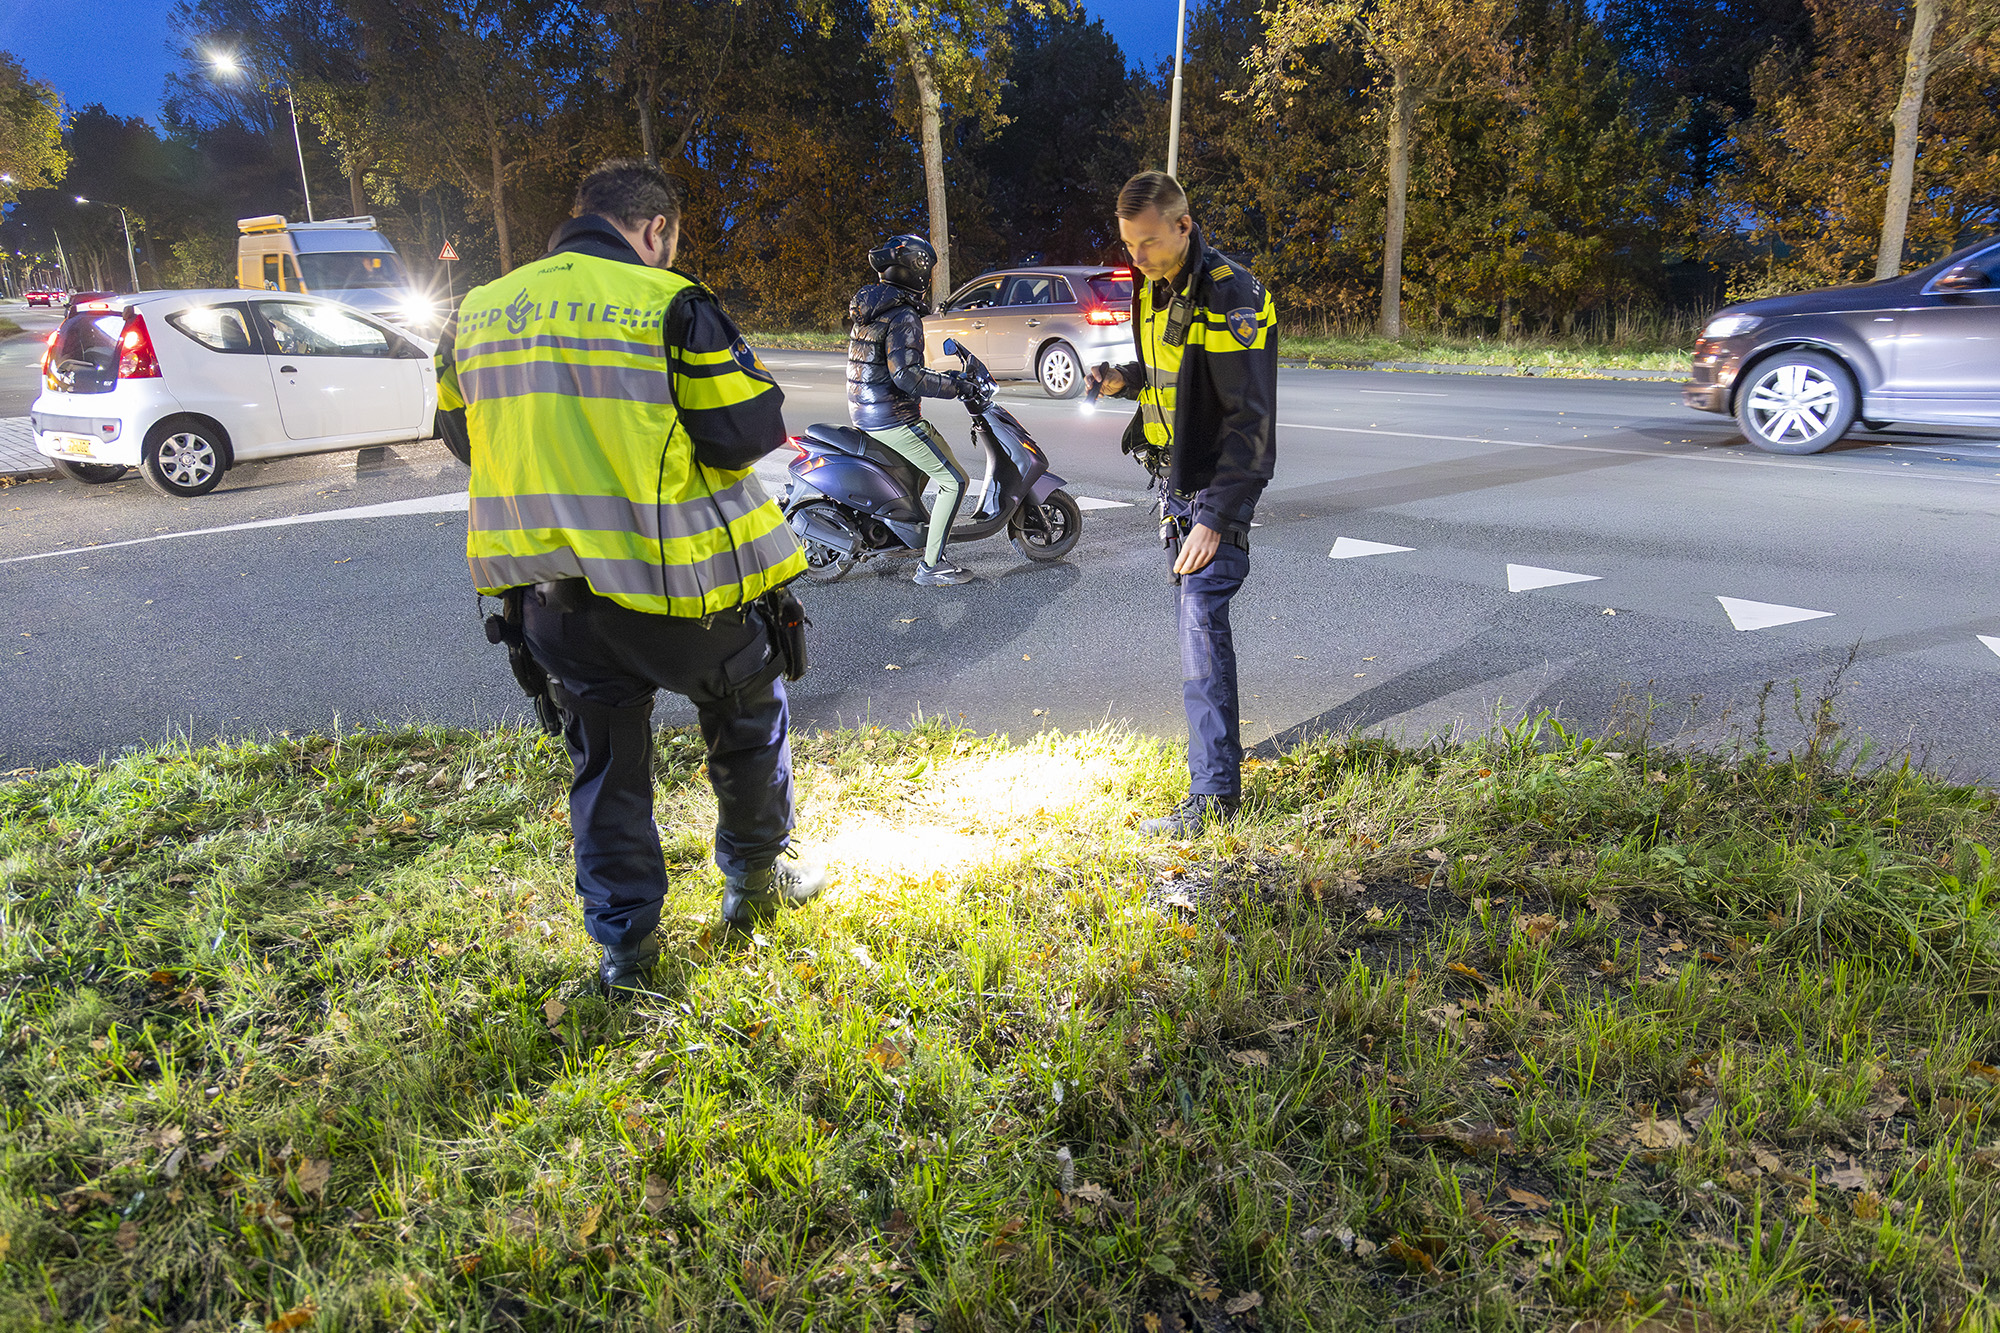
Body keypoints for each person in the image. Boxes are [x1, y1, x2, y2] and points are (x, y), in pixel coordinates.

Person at [434, 159, 827, 994]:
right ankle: (755, 884)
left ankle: (628, 951)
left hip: (552, 602)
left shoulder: (474, 315)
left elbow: (462, 436)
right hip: (674, 590)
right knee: (746, 708)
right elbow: (746, 431)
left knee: (605, 763)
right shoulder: (670, 302)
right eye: (666, 242)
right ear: (656, 231)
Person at [1086, 172, 1278, 838]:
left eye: (1146, 243)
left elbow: (1250, 425)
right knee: (1195, 630)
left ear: (1183, 225)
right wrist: (1124, 381)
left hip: (1210, 488)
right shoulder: (1154, 283)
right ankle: (1214, 773)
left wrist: (1216, 519)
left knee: (1200, 628)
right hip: (1172, 480)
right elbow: (1172, 369)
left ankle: (1216, 796)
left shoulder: (1233, 295)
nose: (1135, 258)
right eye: (1127, 244)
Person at [847, 234, 979, 586]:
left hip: (867, 412)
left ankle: (902, 533)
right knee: (954, 480)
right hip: (893, 416)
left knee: (920, 469)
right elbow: (906, 376)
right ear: (916, 271)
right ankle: (932, 566)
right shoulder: (903, 314)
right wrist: (956, 385)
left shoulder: (872, 307)